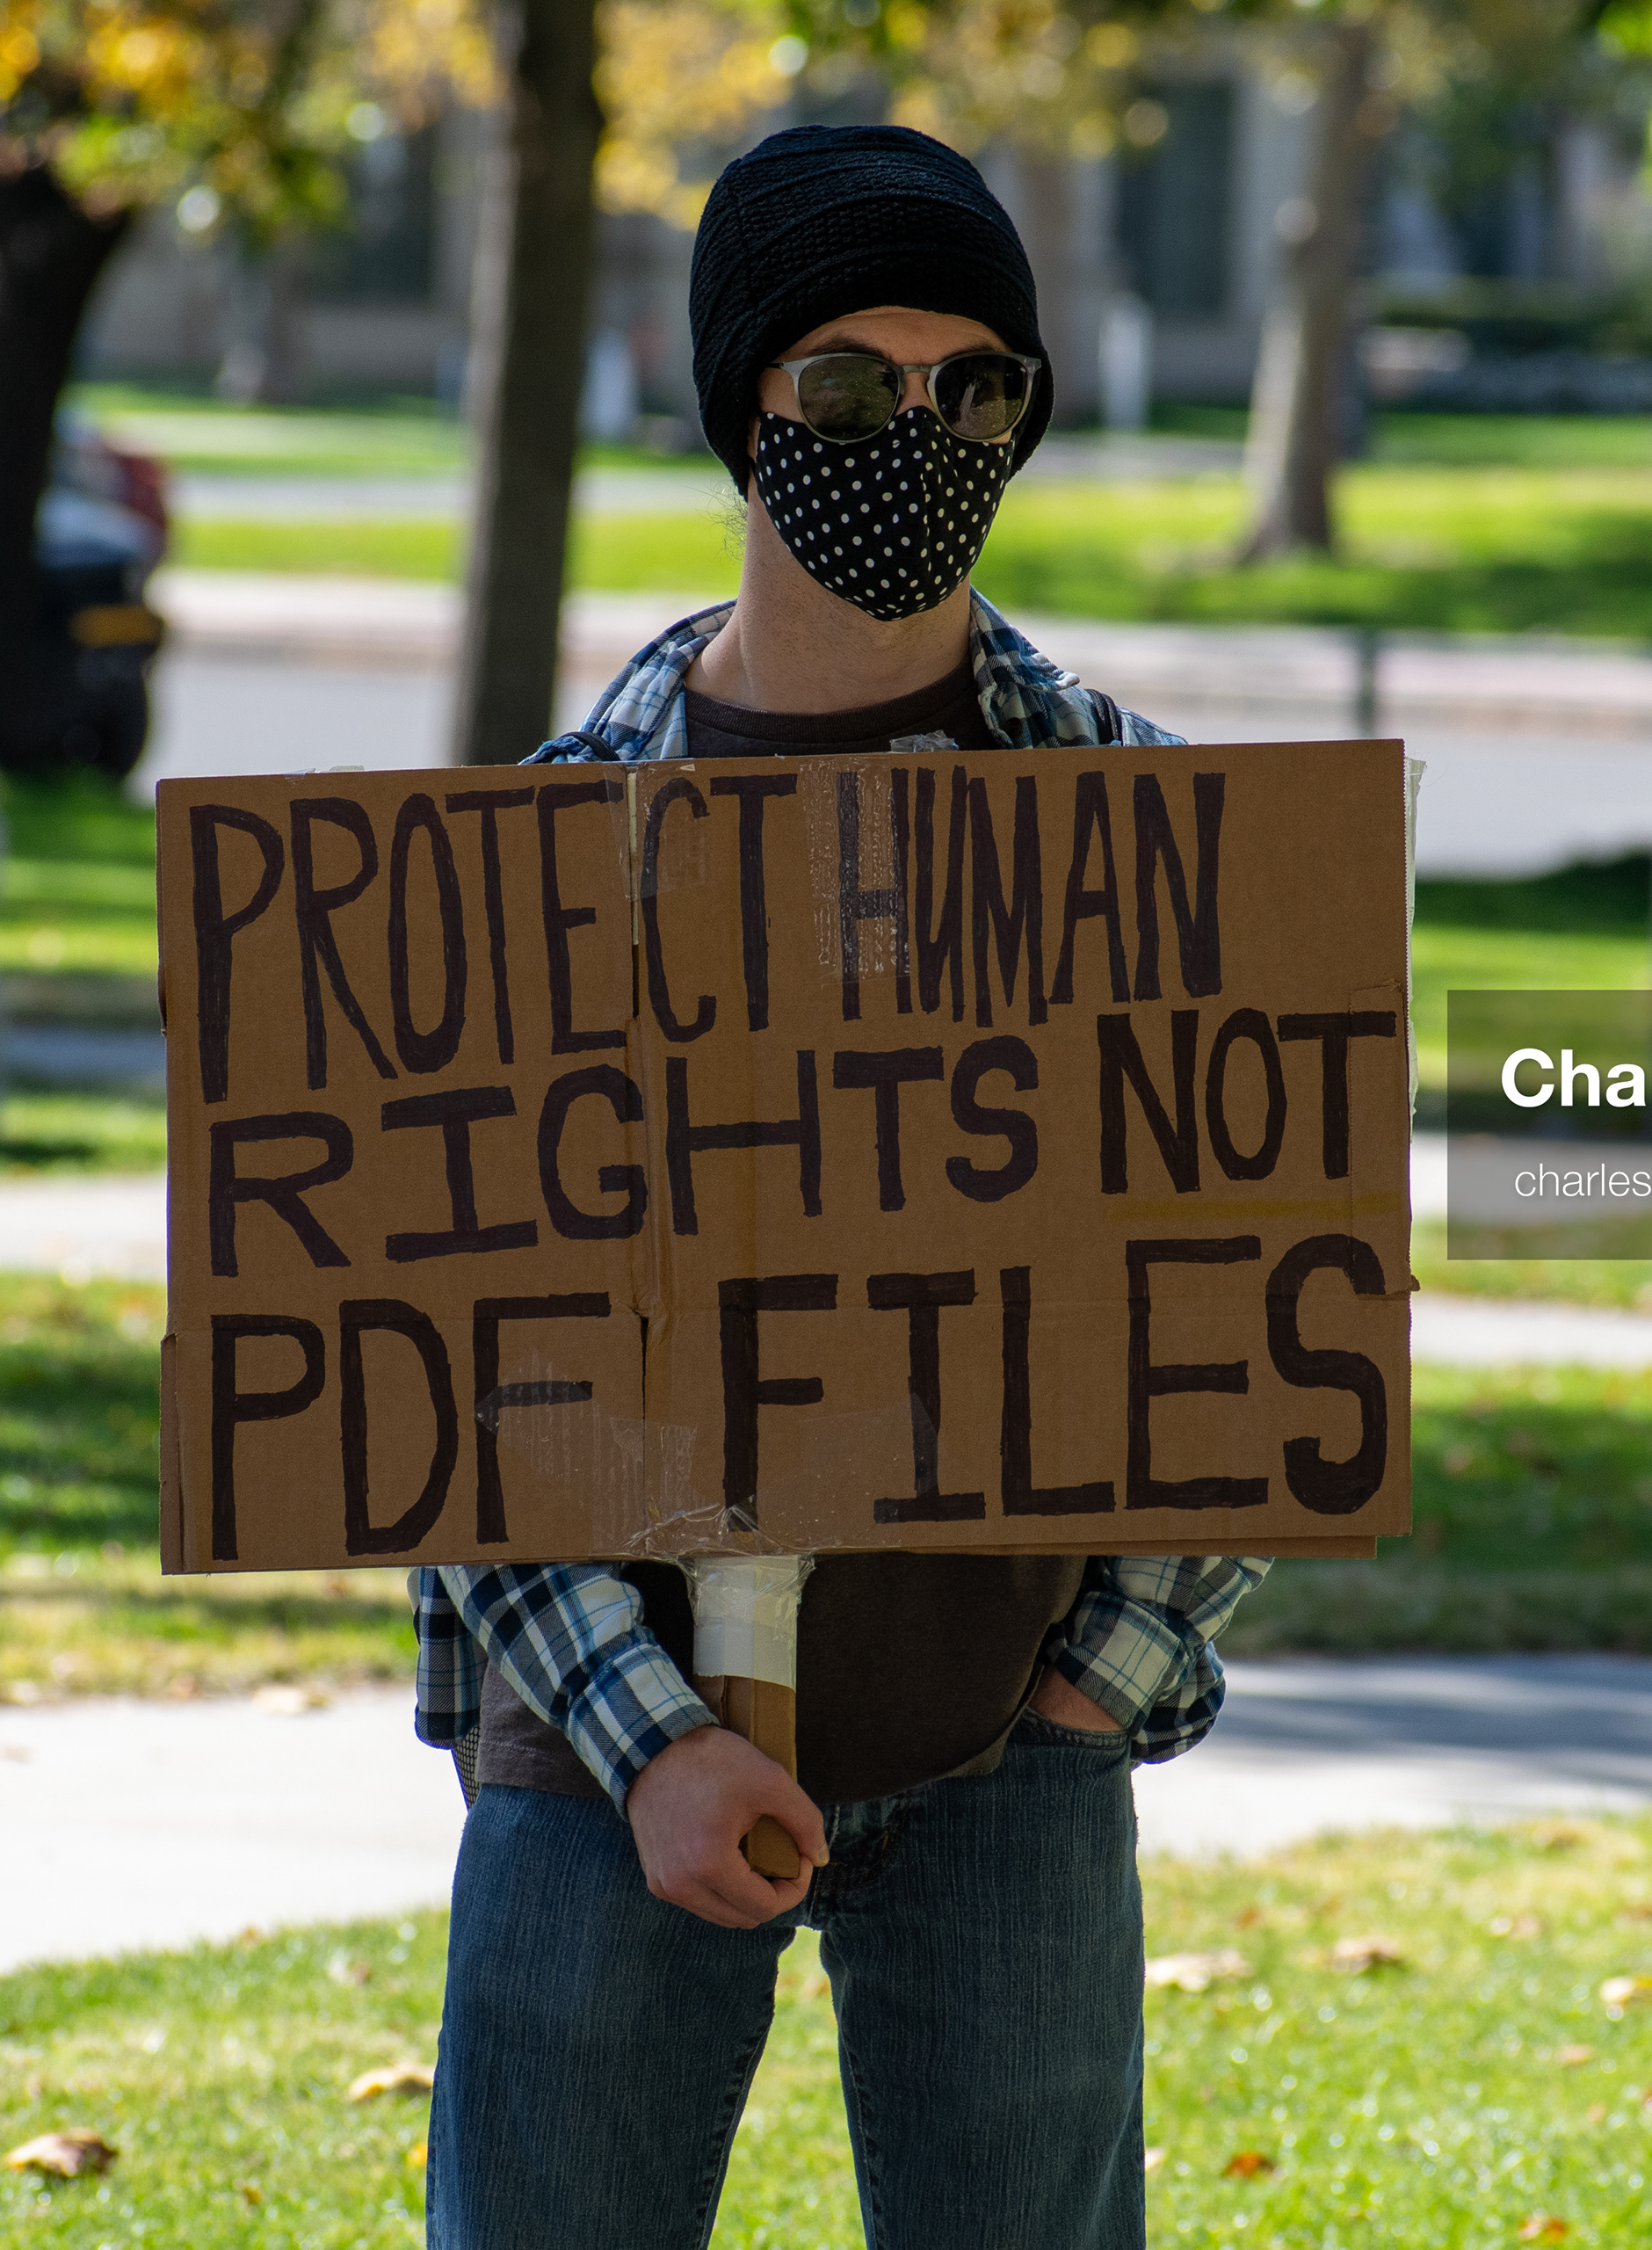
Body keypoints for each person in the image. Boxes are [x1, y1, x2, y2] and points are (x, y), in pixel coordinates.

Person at [413, 122, 1267, 2250]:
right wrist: (649, 1737)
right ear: (743, 409)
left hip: (1012, 1744)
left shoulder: (1152, 831)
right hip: (606, 1755)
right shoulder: (543, 844)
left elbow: (1266, 1272)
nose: (923, 432)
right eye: (857, 389)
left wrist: (1097, 1680)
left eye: (976, 386)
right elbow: (444, 1355)